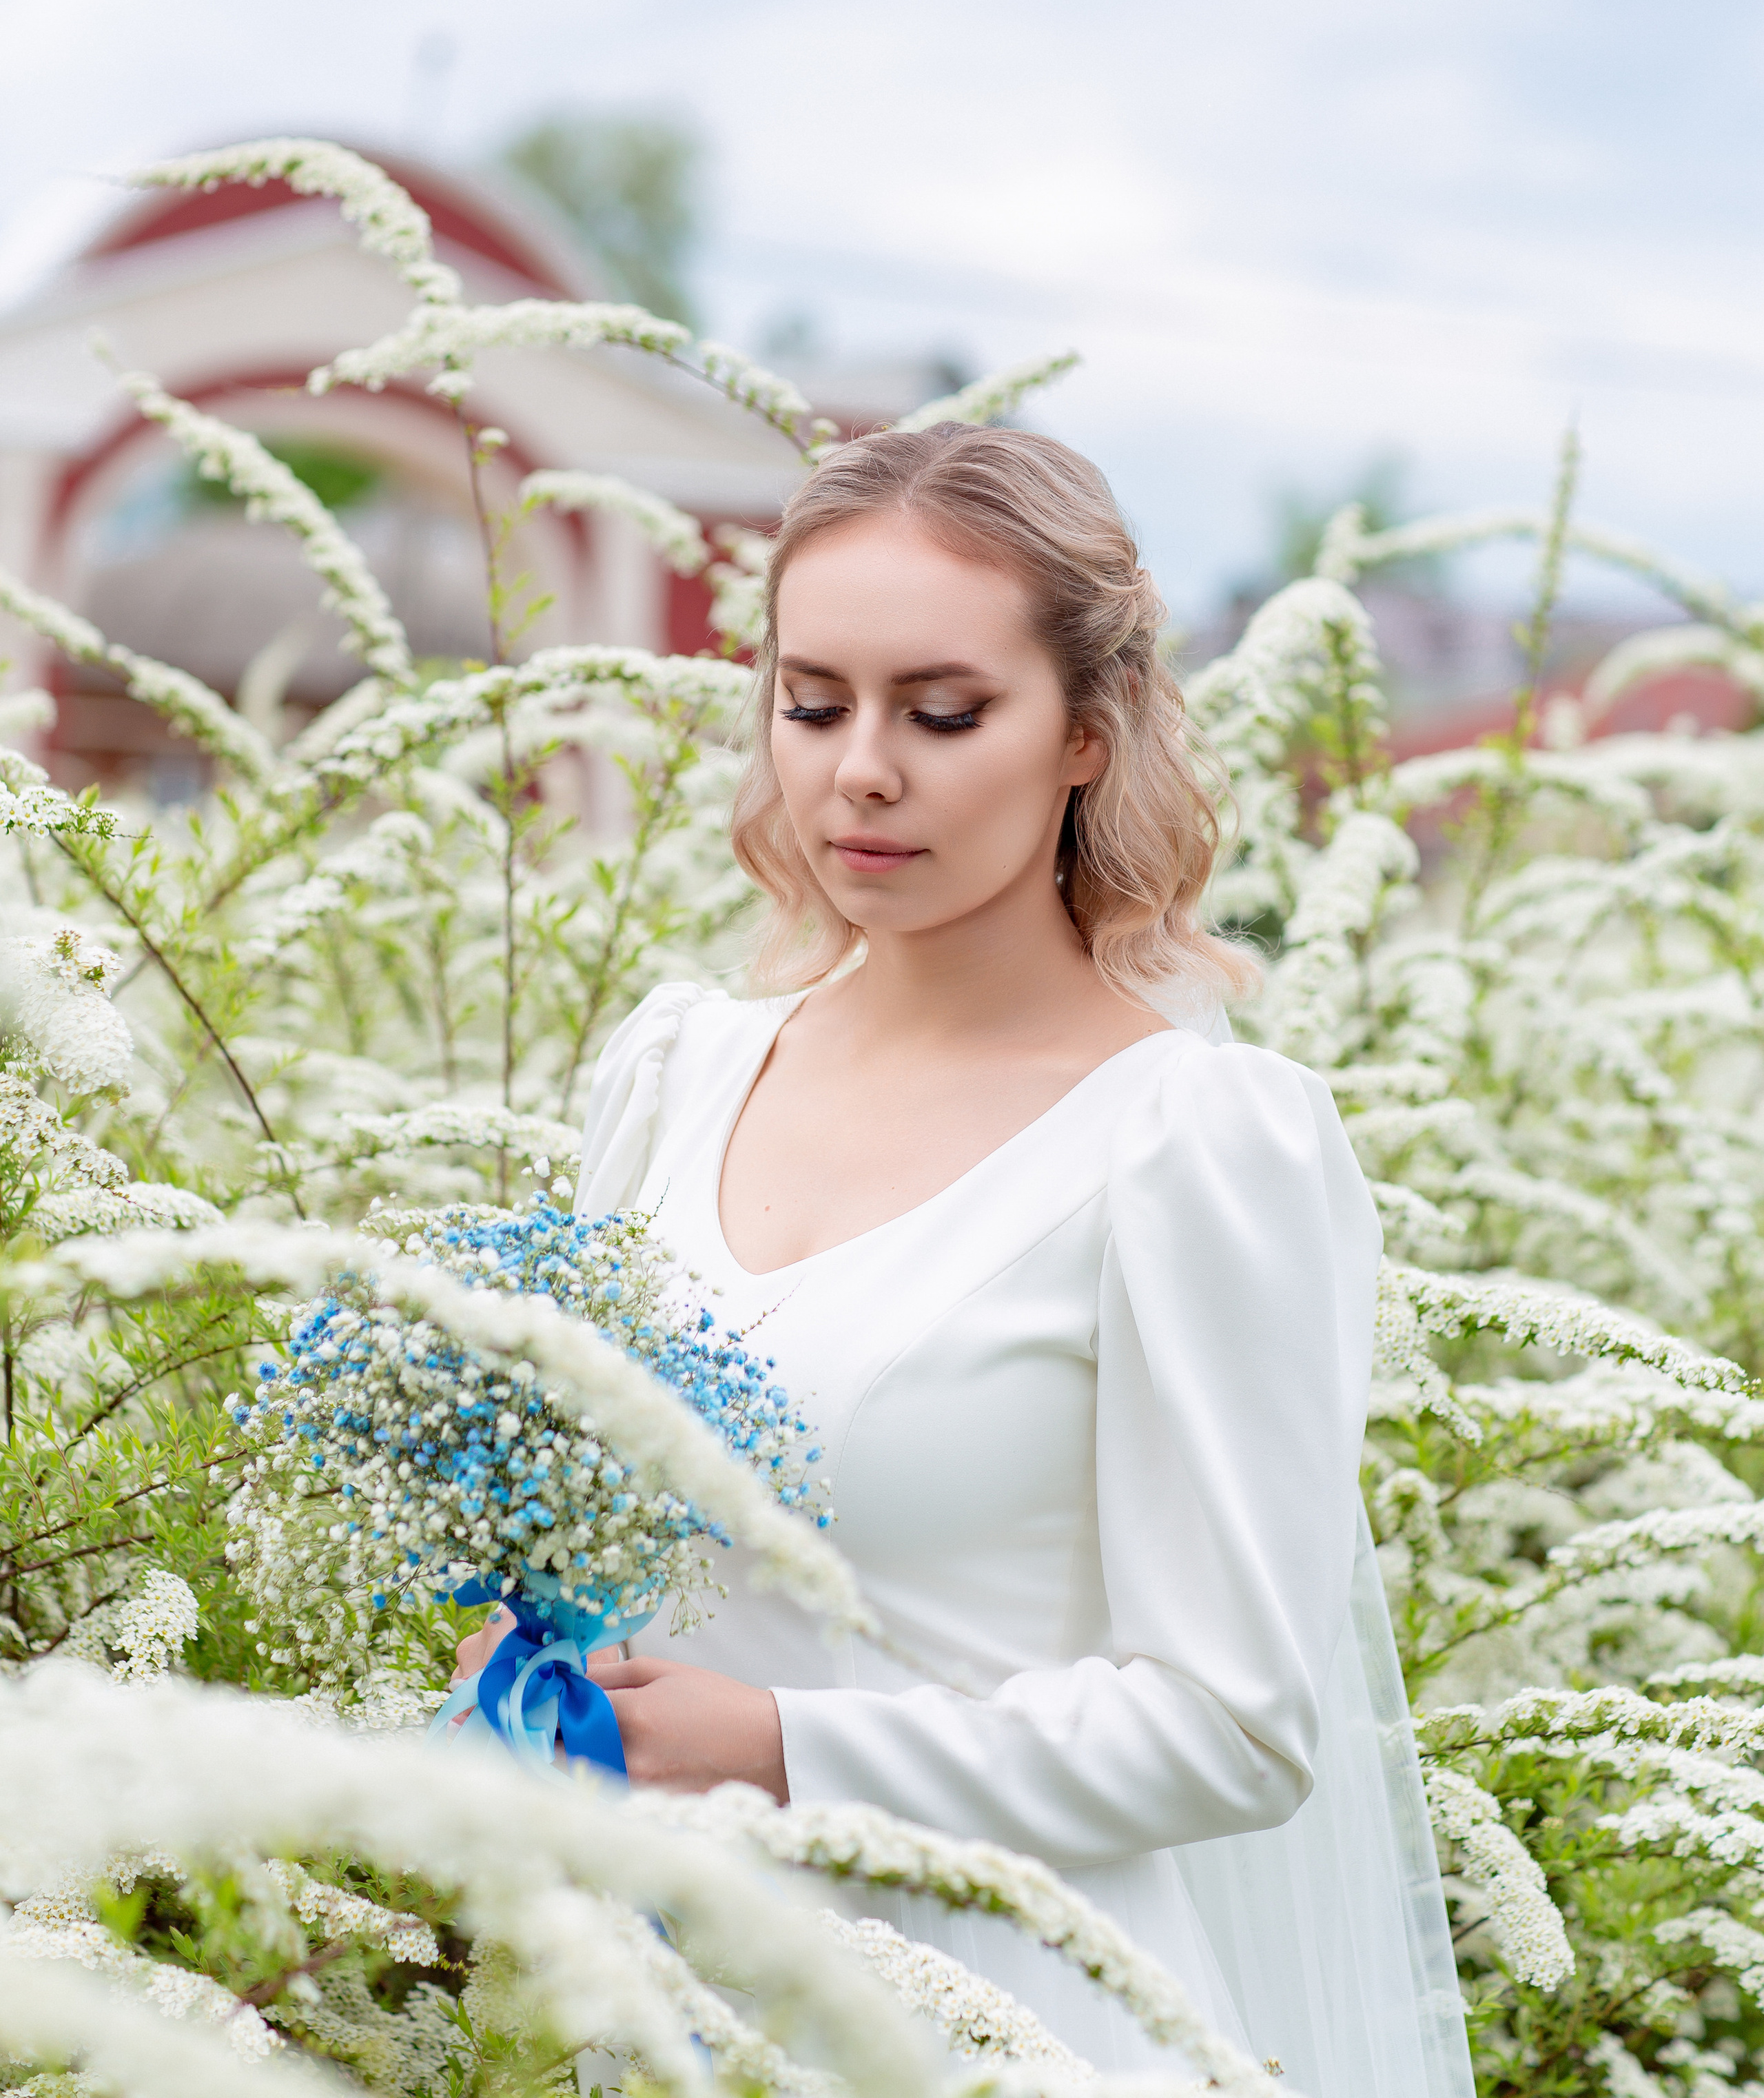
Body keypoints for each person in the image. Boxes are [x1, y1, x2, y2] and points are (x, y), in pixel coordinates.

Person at [453, 425, 1473, 2097]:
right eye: (811, 703)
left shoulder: (1185, 1147)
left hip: (992, 2027)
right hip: (644, 2010)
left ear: (1084, 731)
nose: (862, 768)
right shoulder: (676, 1071)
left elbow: (1232, 1725)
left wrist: (788, 1751)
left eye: (939, 714)